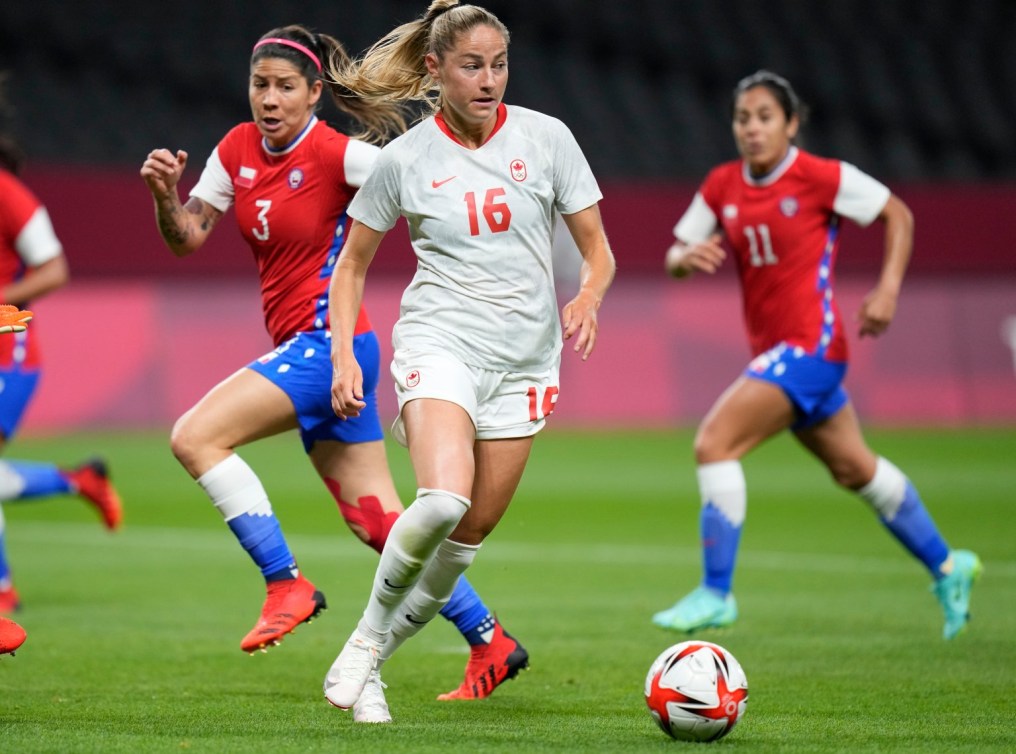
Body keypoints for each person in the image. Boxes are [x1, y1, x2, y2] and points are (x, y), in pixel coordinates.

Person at [139, 24, 531, 722]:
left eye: (285, 86)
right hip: (314, 350)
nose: (269, 98)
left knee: (195, 437)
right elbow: (188, 237)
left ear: (315, 93)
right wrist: (167, 198)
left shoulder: (337, 154)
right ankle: (490, 640)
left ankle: (285, 584)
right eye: (260, 84)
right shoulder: (235, 151)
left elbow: (417, 177)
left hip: (332, 347)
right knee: (382, 523)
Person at [321, 0, 616, 719]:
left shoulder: (548, 139)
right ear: (436, 69)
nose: (489, 80)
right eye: (472, 65)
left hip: (525, 363)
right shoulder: (405, 159)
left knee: (466, 535)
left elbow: (597, 250)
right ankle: (363, 640)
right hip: (441, 343)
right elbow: (351, 266)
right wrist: (341, 356)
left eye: (499, 64)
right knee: (443, 499)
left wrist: (588, 297)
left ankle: (375, 662)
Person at [651, 70, 981, 640]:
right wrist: (685, 259)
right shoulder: (722, 185)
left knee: (714, 443)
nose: (752, 129)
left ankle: (716, 592)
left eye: (764, 117)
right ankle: (951, 566)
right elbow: (675, 255)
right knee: (856, 469)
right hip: (781, 352)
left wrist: (888, 290)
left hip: (812, 347)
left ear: (791, 123)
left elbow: (897, 214)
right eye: (742, 118)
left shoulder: (819, 176)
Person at [0, 84, 123, 617]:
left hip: (10, 355)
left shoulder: (8, 193)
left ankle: (2, 593)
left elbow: (54, 268)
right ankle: (78, 479)